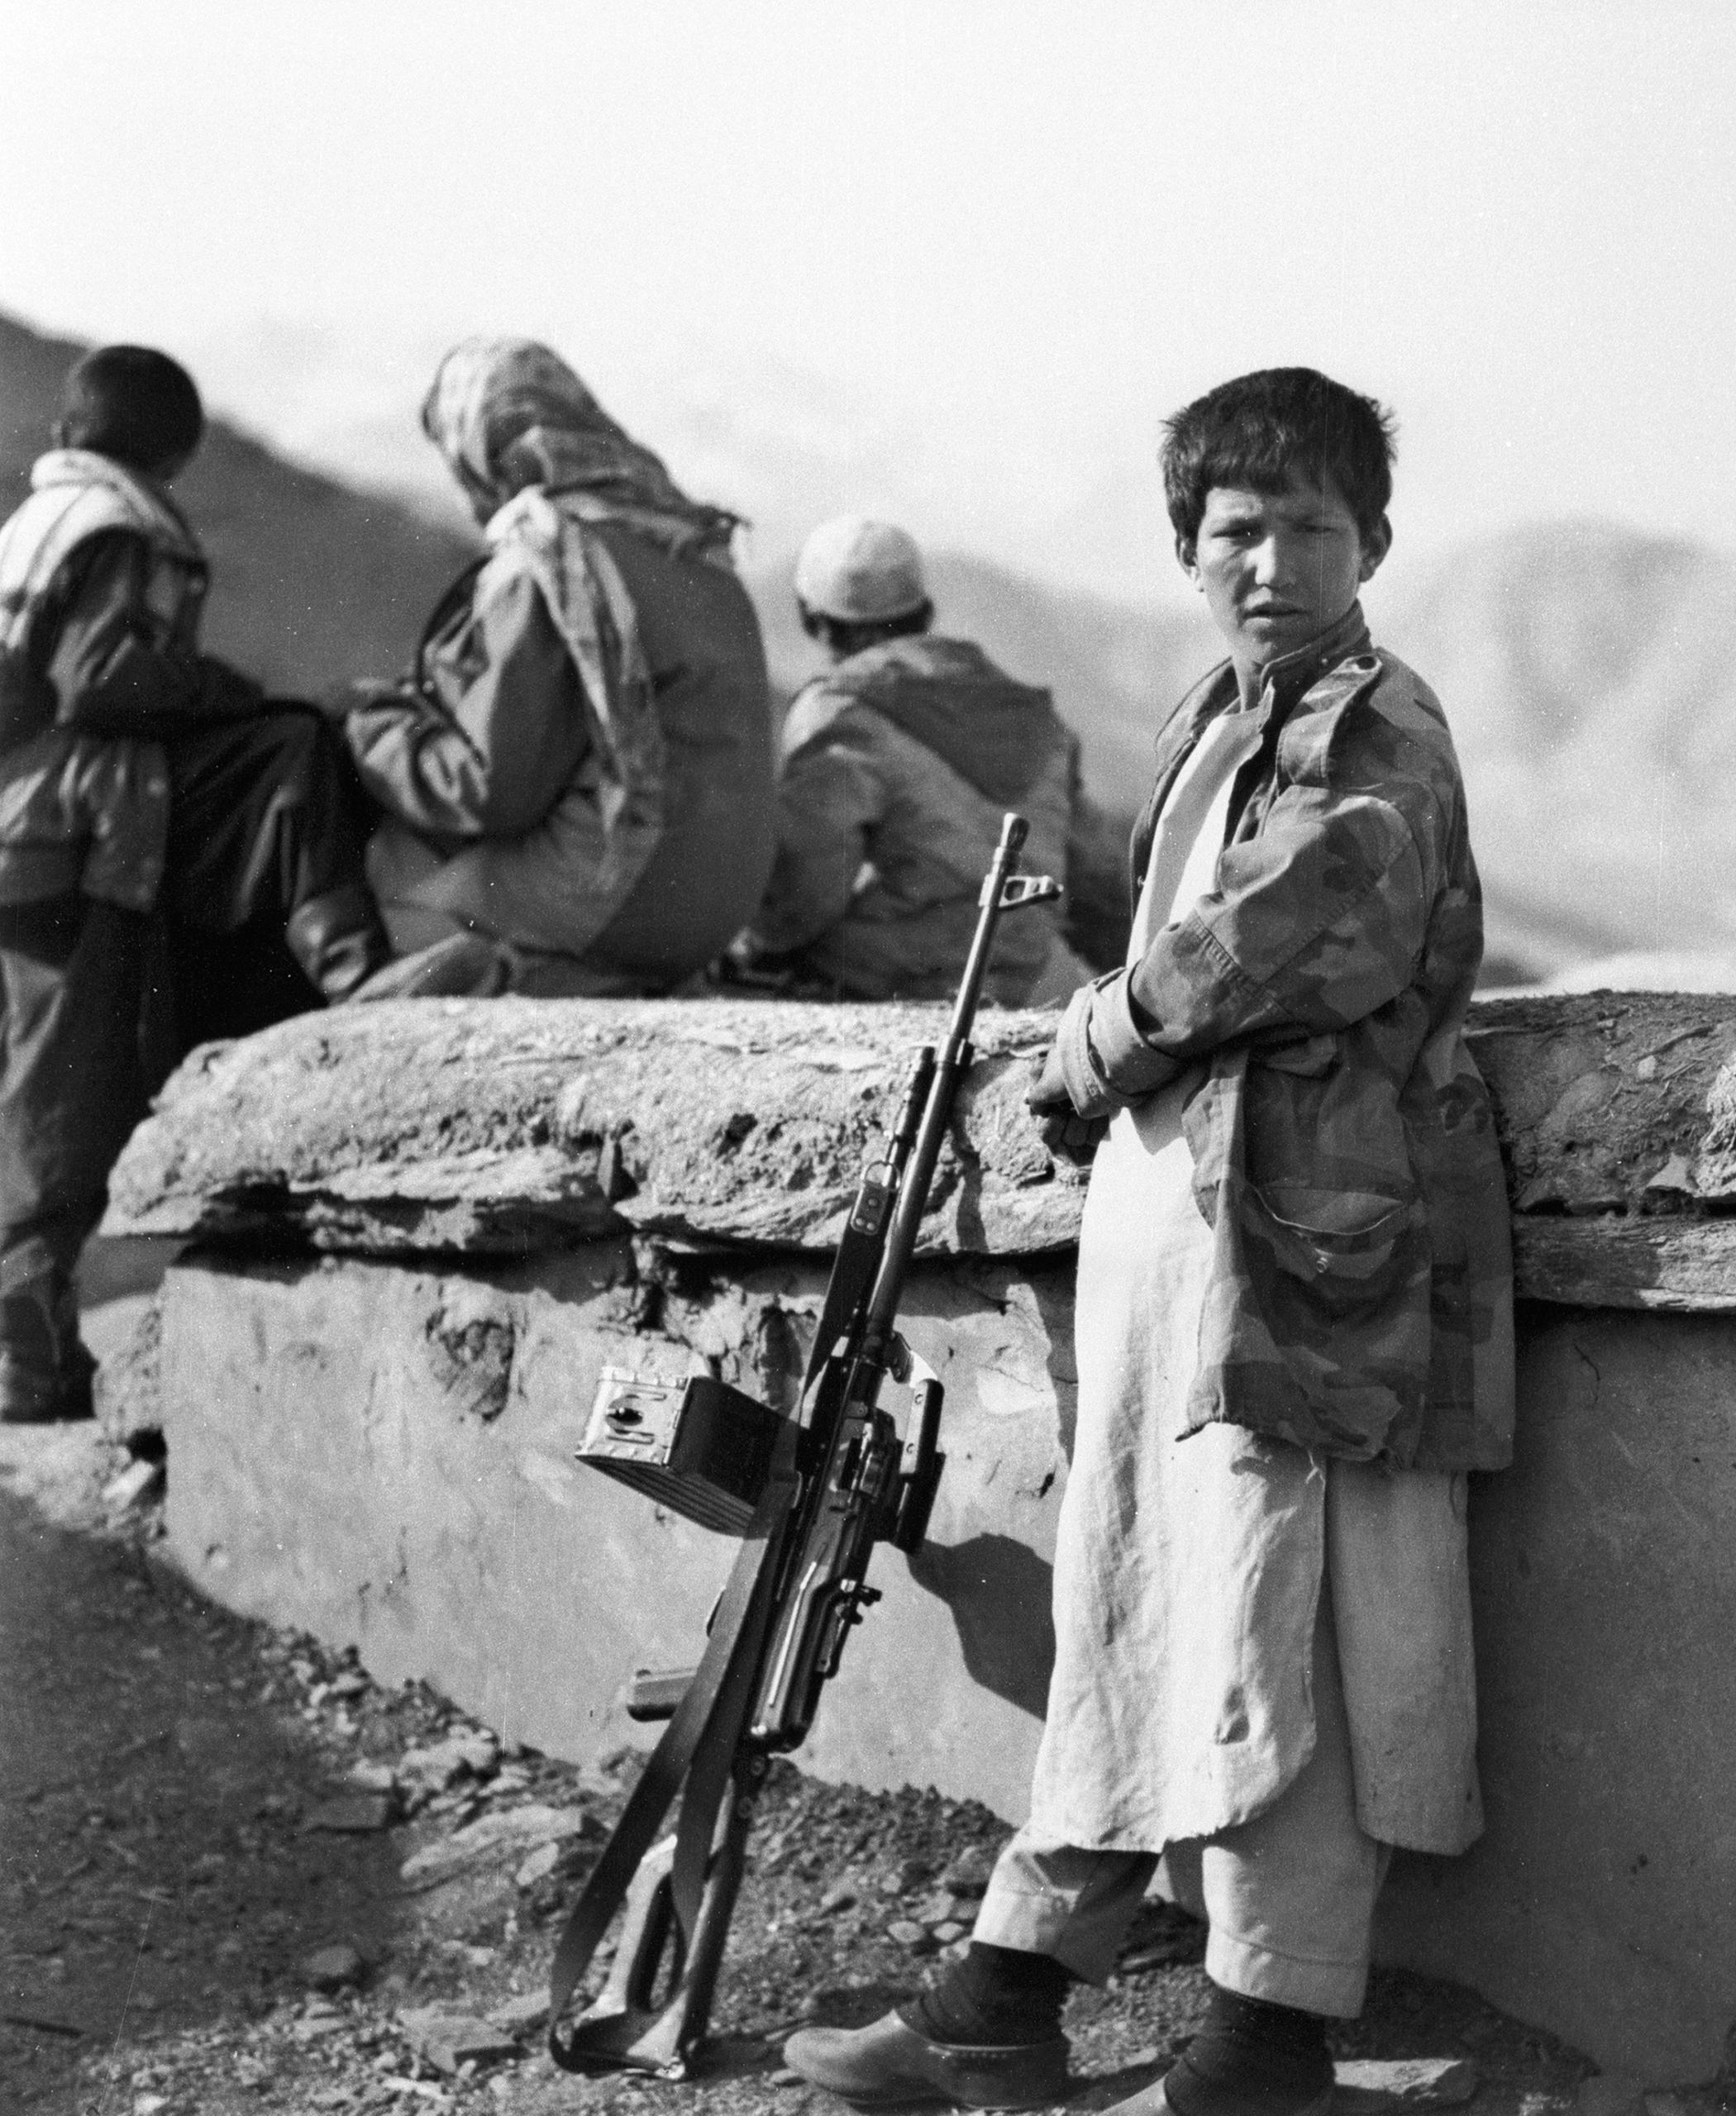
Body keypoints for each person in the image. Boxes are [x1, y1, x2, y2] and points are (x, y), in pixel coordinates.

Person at [785, 369, 1515, 2114]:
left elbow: (1308, 923)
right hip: (1195, 1242)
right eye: (1236, 530)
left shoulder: (1372, 726)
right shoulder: (1224, 709)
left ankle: (1259, 2038)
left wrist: (1099, 1033)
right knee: (1135, 1593)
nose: (1270, 561)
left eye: (1311, 529)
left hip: (1311, 1251)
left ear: (1374, 543)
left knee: (1282, 1618)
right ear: (1185, 544)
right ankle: (1008, 1986)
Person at [0, 346, 393, 1422]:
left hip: (20, 825)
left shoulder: (40, 519)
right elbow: (103, 677)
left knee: (36, 1081)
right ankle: (25, 1366)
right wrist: (224, 688)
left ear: (70, 432)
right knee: (61, 1101)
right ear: (172, 452)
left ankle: (30, 1357)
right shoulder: (120, 526)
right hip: (75, 828)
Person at [327, 338, 775, 996]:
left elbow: (487, 789)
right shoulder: (697, 548)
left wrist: (367, 722)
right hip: (715, 910)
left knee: (389, 882)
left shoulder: (548, 562)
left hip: (624, 899)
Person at [731, 515, 1093, 1003]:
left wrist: (756, 946)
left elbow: (805, 888)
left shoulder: (840, 710)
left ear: (810, 619)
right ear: (925, 610)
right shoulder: (1027, 710)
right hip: (1029, 970)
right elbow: (1092, 867)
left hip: (907, 971)